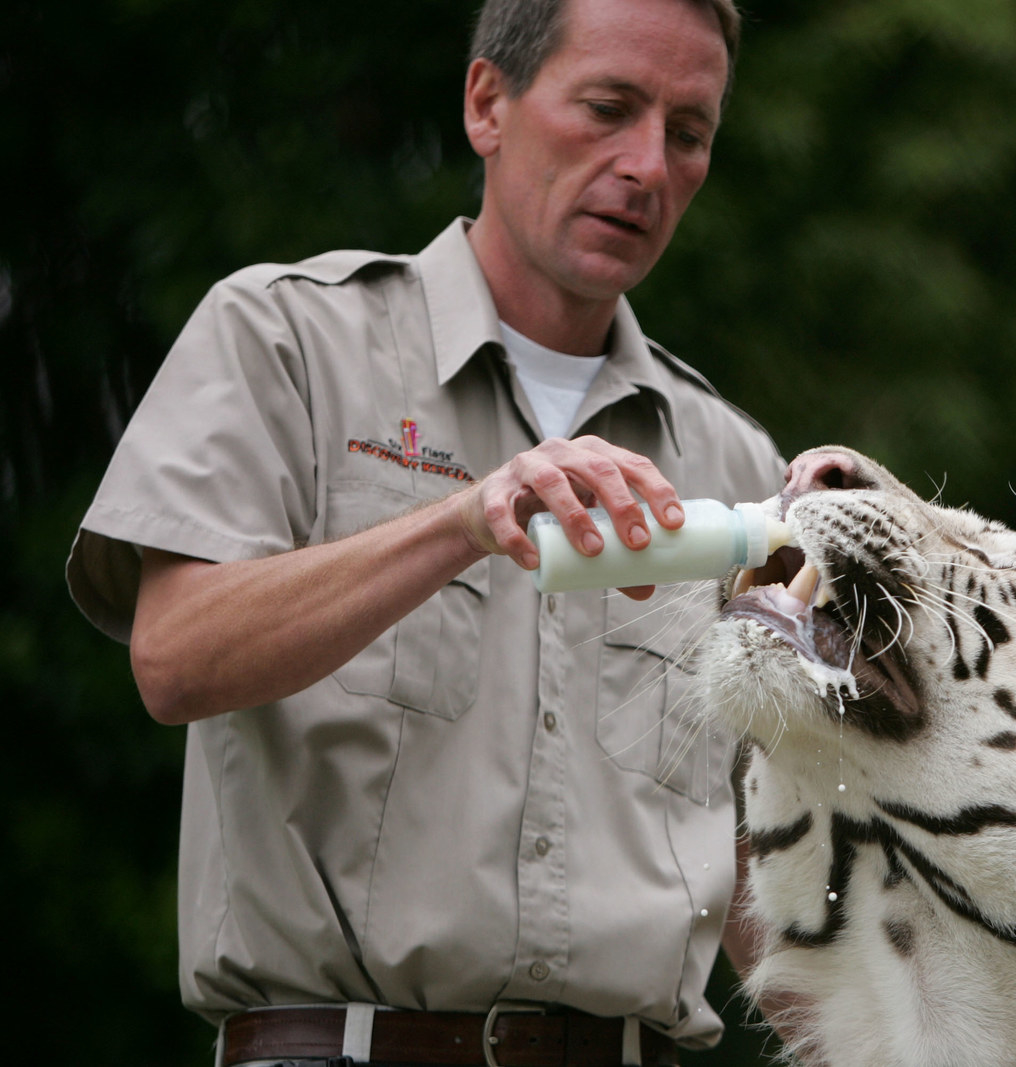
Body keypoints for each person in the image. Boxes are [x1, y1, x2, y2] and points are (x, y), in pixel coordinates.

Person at [65, 0, 784, 1063]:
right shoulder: (285, 337)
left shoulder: (736, 466)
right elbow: (173, 657)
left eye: (687, 133)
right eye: (608, 107)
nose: (645, 164)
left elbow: (760, 847)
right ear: (487, 103)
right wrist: (461, 520)